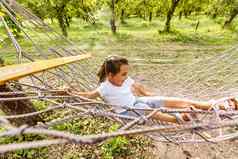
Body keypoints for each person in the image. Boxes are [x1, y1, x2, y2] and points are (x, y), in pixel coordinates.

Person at [65, 55, 238, 123]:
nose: (126, 77)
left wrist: (148, 93)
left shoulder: (124, 80)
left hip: (136, 102)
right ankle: (178, 119)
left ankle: (218, 106)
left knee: (173, 100)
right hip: (126, 113)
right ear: (110, 75)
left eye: (127, 73)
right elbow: (88, 96)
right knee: (147, 109)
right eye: (123, 74)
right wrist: (70, 93)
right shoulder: (104, 88)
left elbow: (136, 86)